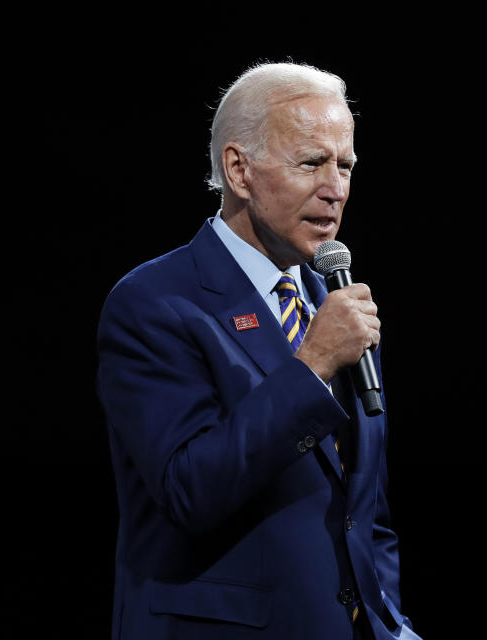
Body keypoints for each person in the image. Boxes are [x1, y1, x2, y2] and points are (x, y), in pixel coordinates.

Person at [96, 62, 420, 639]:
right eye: (312, 162)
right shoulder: (154, 302)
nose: (336, 189)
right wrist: (313, 363)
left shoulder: (331, 298)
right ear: (239, 170)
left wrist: (390, 625)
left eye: (345, 165)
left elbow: (365, 509)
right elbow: (189, 490)